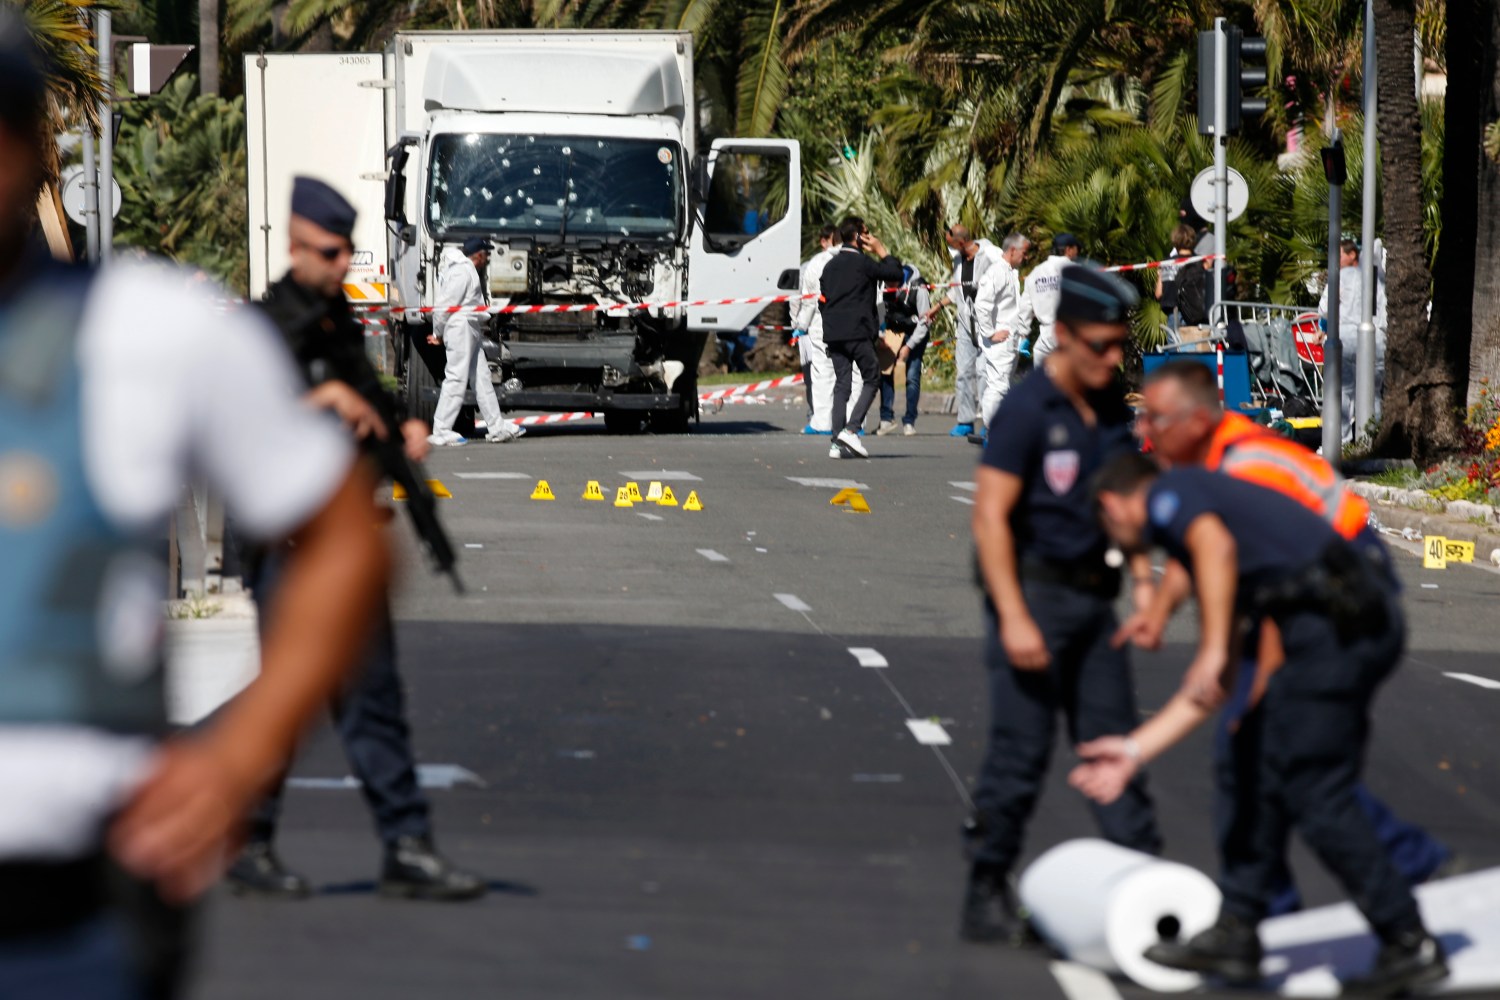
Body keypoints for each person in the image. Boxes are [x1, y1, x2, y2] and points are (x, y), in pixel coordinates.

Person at [0, 17, 388, 996]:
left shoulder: (150, 330)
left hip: (70, 910)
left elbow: (346, 536)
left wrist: (241, 753)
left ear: (24, 153)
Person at [1082, 454, 1447, 997]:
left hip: (1344, 629)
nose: (1126, 548)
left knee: (1317, 792)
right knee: (1249, 756)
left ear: (1113, 504)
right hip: (1331, 630)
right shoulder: (1219, 551)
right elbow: (1217, 685)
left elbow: (1215, 556)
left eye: (1110, 530)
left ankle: (1408, 938)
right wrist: (1134, 750)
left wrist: (1206, 651)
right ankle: (1240, 930)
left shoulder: (1172, 496)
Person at [226, 178, 485, 902]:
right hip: (284, 542)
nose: (343, 264)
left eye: (346, 251)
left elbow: (365, 400)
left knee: (374, 694)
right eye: (332, 251)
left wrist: (396, 429)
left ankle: (406, 844)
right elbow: (238, 418)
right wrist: (320, 400)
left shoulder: (337, 319)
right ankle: (248, 837)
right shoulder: (267, 324)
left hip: (340, 538)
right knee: (288, 694)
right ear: (298, 242)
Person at [1124, 360, 1453, 915]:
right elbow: (1201, 548)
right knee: (1259, 752)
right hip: (1307, 590)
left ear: (1196, 420)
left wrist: (1231, 666)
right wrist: (1158, 608)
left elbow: (1251, 561)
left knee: (1293, 763)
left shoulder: (1246, 466)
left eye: (1153, 417)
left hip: (1339, 593)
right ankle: (1256, 910)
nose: (1143, 431)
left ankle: (1386, 890)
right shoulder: (1205, 464)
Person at [964, 263, 1162, 944]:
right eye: (1101, 346)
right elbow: (990, 518)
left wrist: (1143, 580)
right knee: (1021, 755)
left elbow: (1123, 500)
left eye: (1119, 346)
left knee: (1115, 748)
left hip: (1093, 602)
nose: (1114, 359)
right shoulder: (1025, 410)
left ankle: (1148, 891)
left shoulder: (1110, 408)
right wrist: (1014, 616)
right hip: (1034, 597)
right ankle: (986, 888)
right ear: (1065, 335)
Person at [818, 217, 904, 459]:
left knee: (842, 384)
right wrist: (880, 249)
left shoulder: (829, 266)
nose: (869, 237)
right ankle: (852, 429)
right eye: (866, 233)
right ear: (858, 237)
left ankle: (836, 442)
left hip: (834, 333)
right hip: (857, 331)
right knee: (872, 377)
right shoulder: (863, 262)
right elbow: (895, 274)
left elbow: (822, 301)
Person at [427, 236, 521, 446]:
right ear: (479, 254)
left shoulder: (463, 269)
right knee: (456, 378)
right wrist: (438, 333)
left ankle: (496, 426)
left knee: (481, 377)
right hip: (460, 327)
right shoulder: (462, 271)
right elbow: (445, 305)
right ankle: (441, 429)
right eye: (486, 253)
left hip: (468, 327)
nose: (488, 257)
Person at [927, 225, 1003, 438]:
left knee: (983, 372)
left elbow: (1007, 278)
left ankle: (990, 421)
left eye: (951, 244)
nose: (949, 249)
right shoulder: (959, 260)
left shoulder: (991, 255)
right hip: (965, 322)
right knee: (963, 372)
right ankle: (965, 420)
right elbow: (956, 289)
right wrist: (938, 306)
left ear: (961, 242)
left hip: (988, 322)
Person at [1318, 238, 1387, 443]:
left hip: (1346, 337)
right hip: (1375, 338)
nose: (1335, 260)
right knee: (1373, 393)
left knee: (1342, 392)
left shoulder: (1341, 277)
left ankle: (1340, 441)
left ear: (1352, 255)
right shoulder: (1379, 278)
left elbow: (1324, 309)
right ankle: (1370, 440)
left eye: (1339, 255)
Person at [973, 233, 1033, 442]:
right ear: (1013, 250)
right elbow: (981, 304)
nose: (1025, 258)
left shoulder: (1010, 272)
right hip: (999, 339)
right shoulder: (997, 271)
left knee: (1003, 383)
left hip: (1009, 338)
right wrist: (990, 332)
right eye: (1024, 253)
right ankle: (993, 430)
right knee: (997, 385)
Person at [791, 223, 838, 434]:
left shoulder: (817, 263)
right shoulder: (857, 259)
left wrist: (800, 324)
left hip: (819, 323)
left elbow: (808, 300)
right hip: (836, 324)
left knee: (822, 374)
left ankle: (822, 421)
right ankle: (844, 421)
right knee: (840, 375)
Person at [876, 262, 932, 436]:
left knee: (912, 377)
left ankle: (909, 421)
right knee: (885, 373)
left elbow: (925, 322)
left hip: (915, 333)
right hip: (892, 332)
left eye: (891, 283)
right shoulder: (881, 284)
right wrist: (880, 334)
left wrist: (909, 346)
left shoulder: (919, 287)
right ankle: (886, 419)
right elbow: (879, 310)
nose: (888, 286)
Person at [1023, 233, 1079, 367]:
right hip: (1069, 333)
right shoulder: (1075, 271)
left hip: (1045, 338)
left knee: (1043, 385)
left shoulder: (1035, 273)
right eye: (1077, 249)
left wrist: (1022, 335)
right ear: (1068, 250)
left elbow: (1024, 308)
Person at [1153, 223, 1199, 346]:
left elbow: (1158, 294)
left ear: (1175, 241)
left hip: (1174, 313)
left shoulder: (1167, 263)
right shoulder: (1200, 262)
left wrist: (1159, 275)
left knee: (1176, 355)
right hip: (1197, 315)